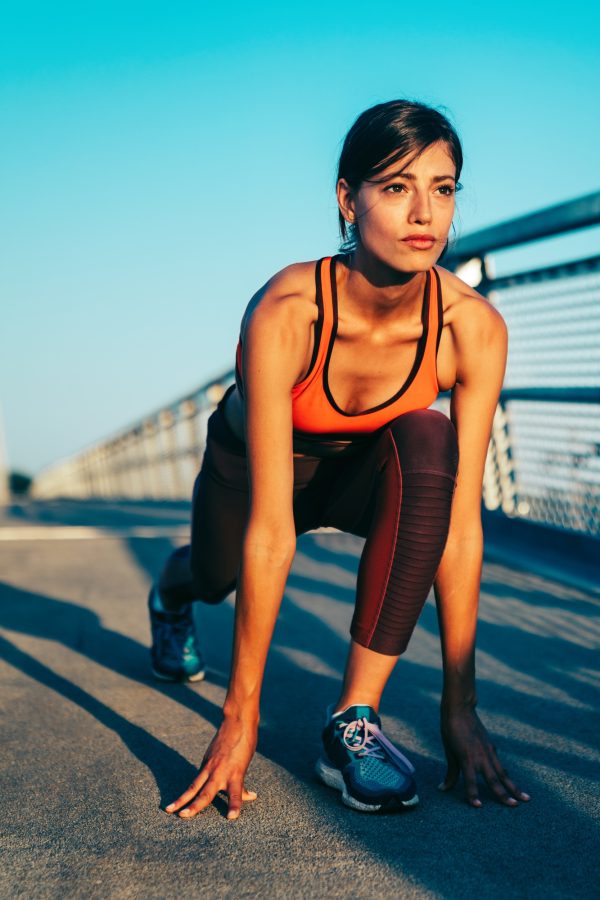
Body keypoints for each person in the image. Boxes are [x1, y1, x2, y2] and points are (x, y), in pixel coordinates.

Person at [147, 99, 532, 818]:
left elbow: (460, 530)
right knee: (214, 573)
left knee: (428, 438)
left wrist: (461, 705)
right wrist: (241, 715)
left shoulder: (470, 327)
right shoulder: (288, 310)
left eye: (442, 189)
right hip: (260, 471)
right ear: (346, 199)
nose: (424, 212)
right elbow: (272, 527)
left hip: (362, 472)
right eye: (396, 187)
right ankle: (170, 595)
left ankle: (353, 721)